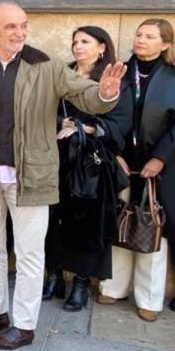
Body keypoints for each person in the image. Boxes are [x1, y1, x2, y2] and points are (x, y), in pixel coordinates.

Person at [0, 2, 124, 349]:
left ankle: (25, 325)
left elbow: (85, 93)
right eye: (11, 27)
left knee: (30, 253)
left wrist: (105, 92)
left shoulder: (44, 65)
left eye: (23, 25)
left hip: (31, 176)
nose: (19, 32)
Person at [41, 26, 124, 313]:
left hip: (91, 163)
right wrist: (57, 125)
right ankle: (53, 276)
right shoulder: (62, 72)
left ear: (102, 47)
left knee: (87, 224)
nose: (78, 46)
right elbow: (42, 110)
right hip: (58, 157)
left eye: (85, 42)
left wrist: (84, 127)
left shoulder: (110, 79)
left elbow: (120, 122)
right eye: (75, 41)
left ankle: (80, 284)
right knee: (52, 218)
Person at [99, 19, 175, 320]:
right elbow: (104, 111)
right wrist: (114, 151)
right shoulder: (120, 71)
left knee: (152, 226)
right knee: (120, 220)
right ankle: (113, 287)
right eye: (139, 34)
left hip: (158, 166)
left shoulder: (172, 76)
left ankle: (149, 298)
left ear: (165, 44)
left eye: (150, 36)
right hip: (121, 161)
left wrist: (161, 158)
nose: (141, 40)